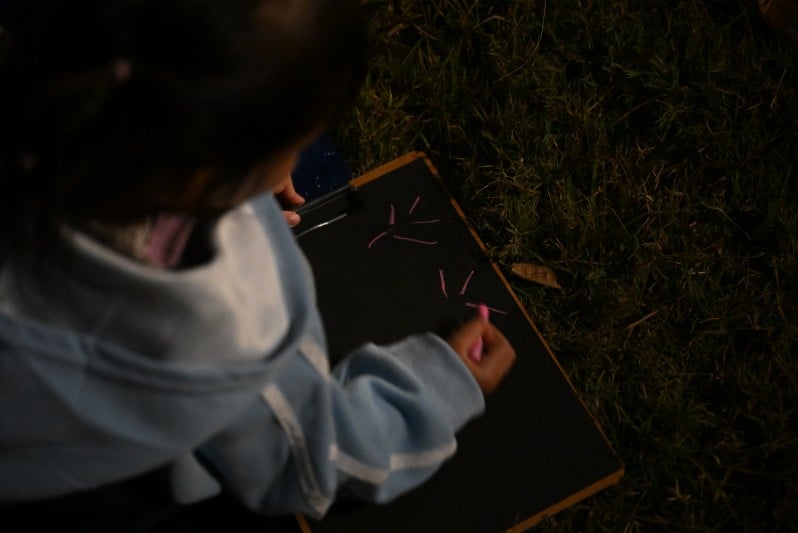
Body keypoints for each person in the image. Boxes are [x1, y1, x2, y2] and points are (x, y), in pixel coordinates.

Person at [0, 0, 516, 525]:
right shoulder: (222, 331)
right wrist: (436, 390)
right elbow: (310, 458)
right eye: (293, 146)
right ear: (212, 168)